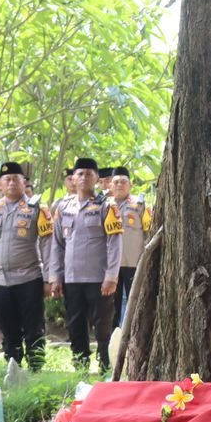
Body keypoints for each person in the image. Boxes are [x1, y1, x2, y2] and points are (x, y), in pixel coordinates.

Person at [0, 162, 50, 371]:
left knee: (33, 328)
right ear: (0, 184)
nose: (12, 182)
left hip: (29, 279)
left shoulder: (37, 209)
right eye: (7, 179)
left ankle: (36, 369)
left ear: (24, 183)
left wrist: (50, 279)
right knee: (7, 328)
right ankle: (13, 366)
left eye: (16, 178)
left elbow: (47, 246)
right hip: (0, 282)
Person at [46, 157, 121, 372]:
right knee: (75, 323)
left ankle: (106, 366)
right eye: (80, 174)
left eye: (89, 174)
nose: (84, 178)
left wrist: (111, 276)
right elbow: (57, 245)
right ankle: (80, 365)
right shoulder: (63, 207)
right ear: (73, 178)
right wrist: (55, 277)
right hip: (72, 278)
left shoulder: (107, 205)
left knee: (103, 325)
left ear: (97, 178)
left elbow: (114, 243)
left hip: (99, 278)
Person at [107, 167, 153, 327]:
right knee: (111, 306)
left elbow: (149, 232)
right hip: (111, 266)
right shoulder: (105, 206)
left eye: (123, 182)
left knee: (135, 304)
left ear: (131, 184)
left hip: (134, 263)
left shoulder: (140, 205)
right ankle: (113, 338)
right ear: (110, 185)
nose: (119, 185)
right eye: (116, 182)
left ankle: (132, 338)